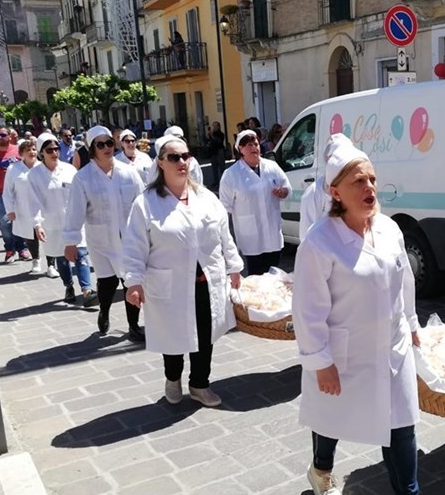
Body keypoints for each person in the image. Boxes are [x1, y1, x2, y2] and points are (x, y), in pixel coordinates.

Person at [292, 134, 445, 495]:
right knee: (333, 417)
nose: (369, 189)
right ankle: (322, 471)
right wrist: (319, 360)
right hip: (345, 353)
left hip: (392, 348)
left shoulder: (390, 229)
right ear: (335, 191)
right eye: (358, 182)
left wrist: (413, 323)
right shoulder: (319, 243)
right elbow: (306, 309)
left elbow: (404, 283)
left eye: (372, 180)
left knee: (401, 428)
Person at [124, 137, 244, 407]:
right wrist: (133, 282)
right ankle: (173, 377)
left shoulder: (206, 197)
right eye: (174, 157)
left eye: (186, 156)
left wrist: (234, 265)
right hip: (170, 283)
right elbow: (134, 245)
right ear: (160, 164)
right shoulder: (146, 203)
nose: (182, 162)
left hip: (205, 281)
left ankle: (200, 384)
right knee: (173, 335)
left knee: (205, 335)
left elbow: (224, 234)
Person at [63, 126, 146, 340]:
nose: (106, 148)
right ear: (92, 149)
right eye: (100, 145)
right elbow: (75, 211)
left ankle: (133, 325)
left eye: (109, 143)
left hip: (128, 239)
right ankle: (105, 311)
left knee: (131, 280)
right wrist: (71, 241)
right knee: (108, 282)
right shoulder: (83, 178)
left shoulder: (128, 172)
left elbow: (143, 203)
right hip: (100, 240)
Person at [30, 133, 98, 306]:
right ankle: (68, 286)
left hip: (74, 220)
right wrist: (37, 224)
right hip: (52, 223)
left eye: (56, 149)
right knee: (61, 257)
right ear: (41, 153)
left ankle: (87, 289)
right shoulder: (35, 175)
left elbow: (81, 194)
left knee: (81, 253)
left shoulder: (69, 170)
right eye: (49, 150)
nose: (54, 152)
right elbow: (33, 202)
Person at [219, 129, 291, 275]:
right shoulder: (231, 175)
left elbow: (287, 187)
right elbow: (224, 208)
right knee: (256, 278)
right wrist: (224, 238)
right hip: (251, 236)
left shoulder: (272, 167)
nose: (254, 148)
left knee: (275, 276)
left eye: (256, 144)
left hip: (272, 233)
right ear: (240, 149)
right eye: (249, 145)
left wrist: (283, 192)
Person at [3, 138, 50, 276]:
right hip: (24, 207)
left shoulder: (43, 167)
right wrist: (10, 210)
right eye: (28, 150)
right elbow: (7, 191)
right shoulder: (14, 169)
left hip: (43, 207)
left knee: (47, 234)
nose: (32, 152)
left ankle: (51, 263)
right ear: (21, 153)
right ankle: (36, 259)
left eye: (34, 149)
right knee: (30, 235)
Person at [0, 127, 31, 264]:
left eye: (3, 135)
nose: (0, 137)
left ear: (9, 136)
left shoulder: (17, 150)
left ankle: (22, 248)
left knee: (20, 220)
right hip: (0, 192)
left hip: (19, 192)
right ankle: (9, 248)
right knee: (5, 222)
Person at [207, 121, 227, 186]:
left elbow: (219, 141)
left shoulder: (221, 134)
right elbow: (209, 141)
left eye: (215, 126)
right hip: (213, 151)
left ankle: (224, 181)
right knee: (214, 168)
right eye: (213, 126)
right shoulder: (212, 134)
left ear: (218, 127)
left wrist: (212, 136)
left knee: (222, 167)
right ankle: (216, 181)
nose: (214, 127)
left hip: (219, 151)